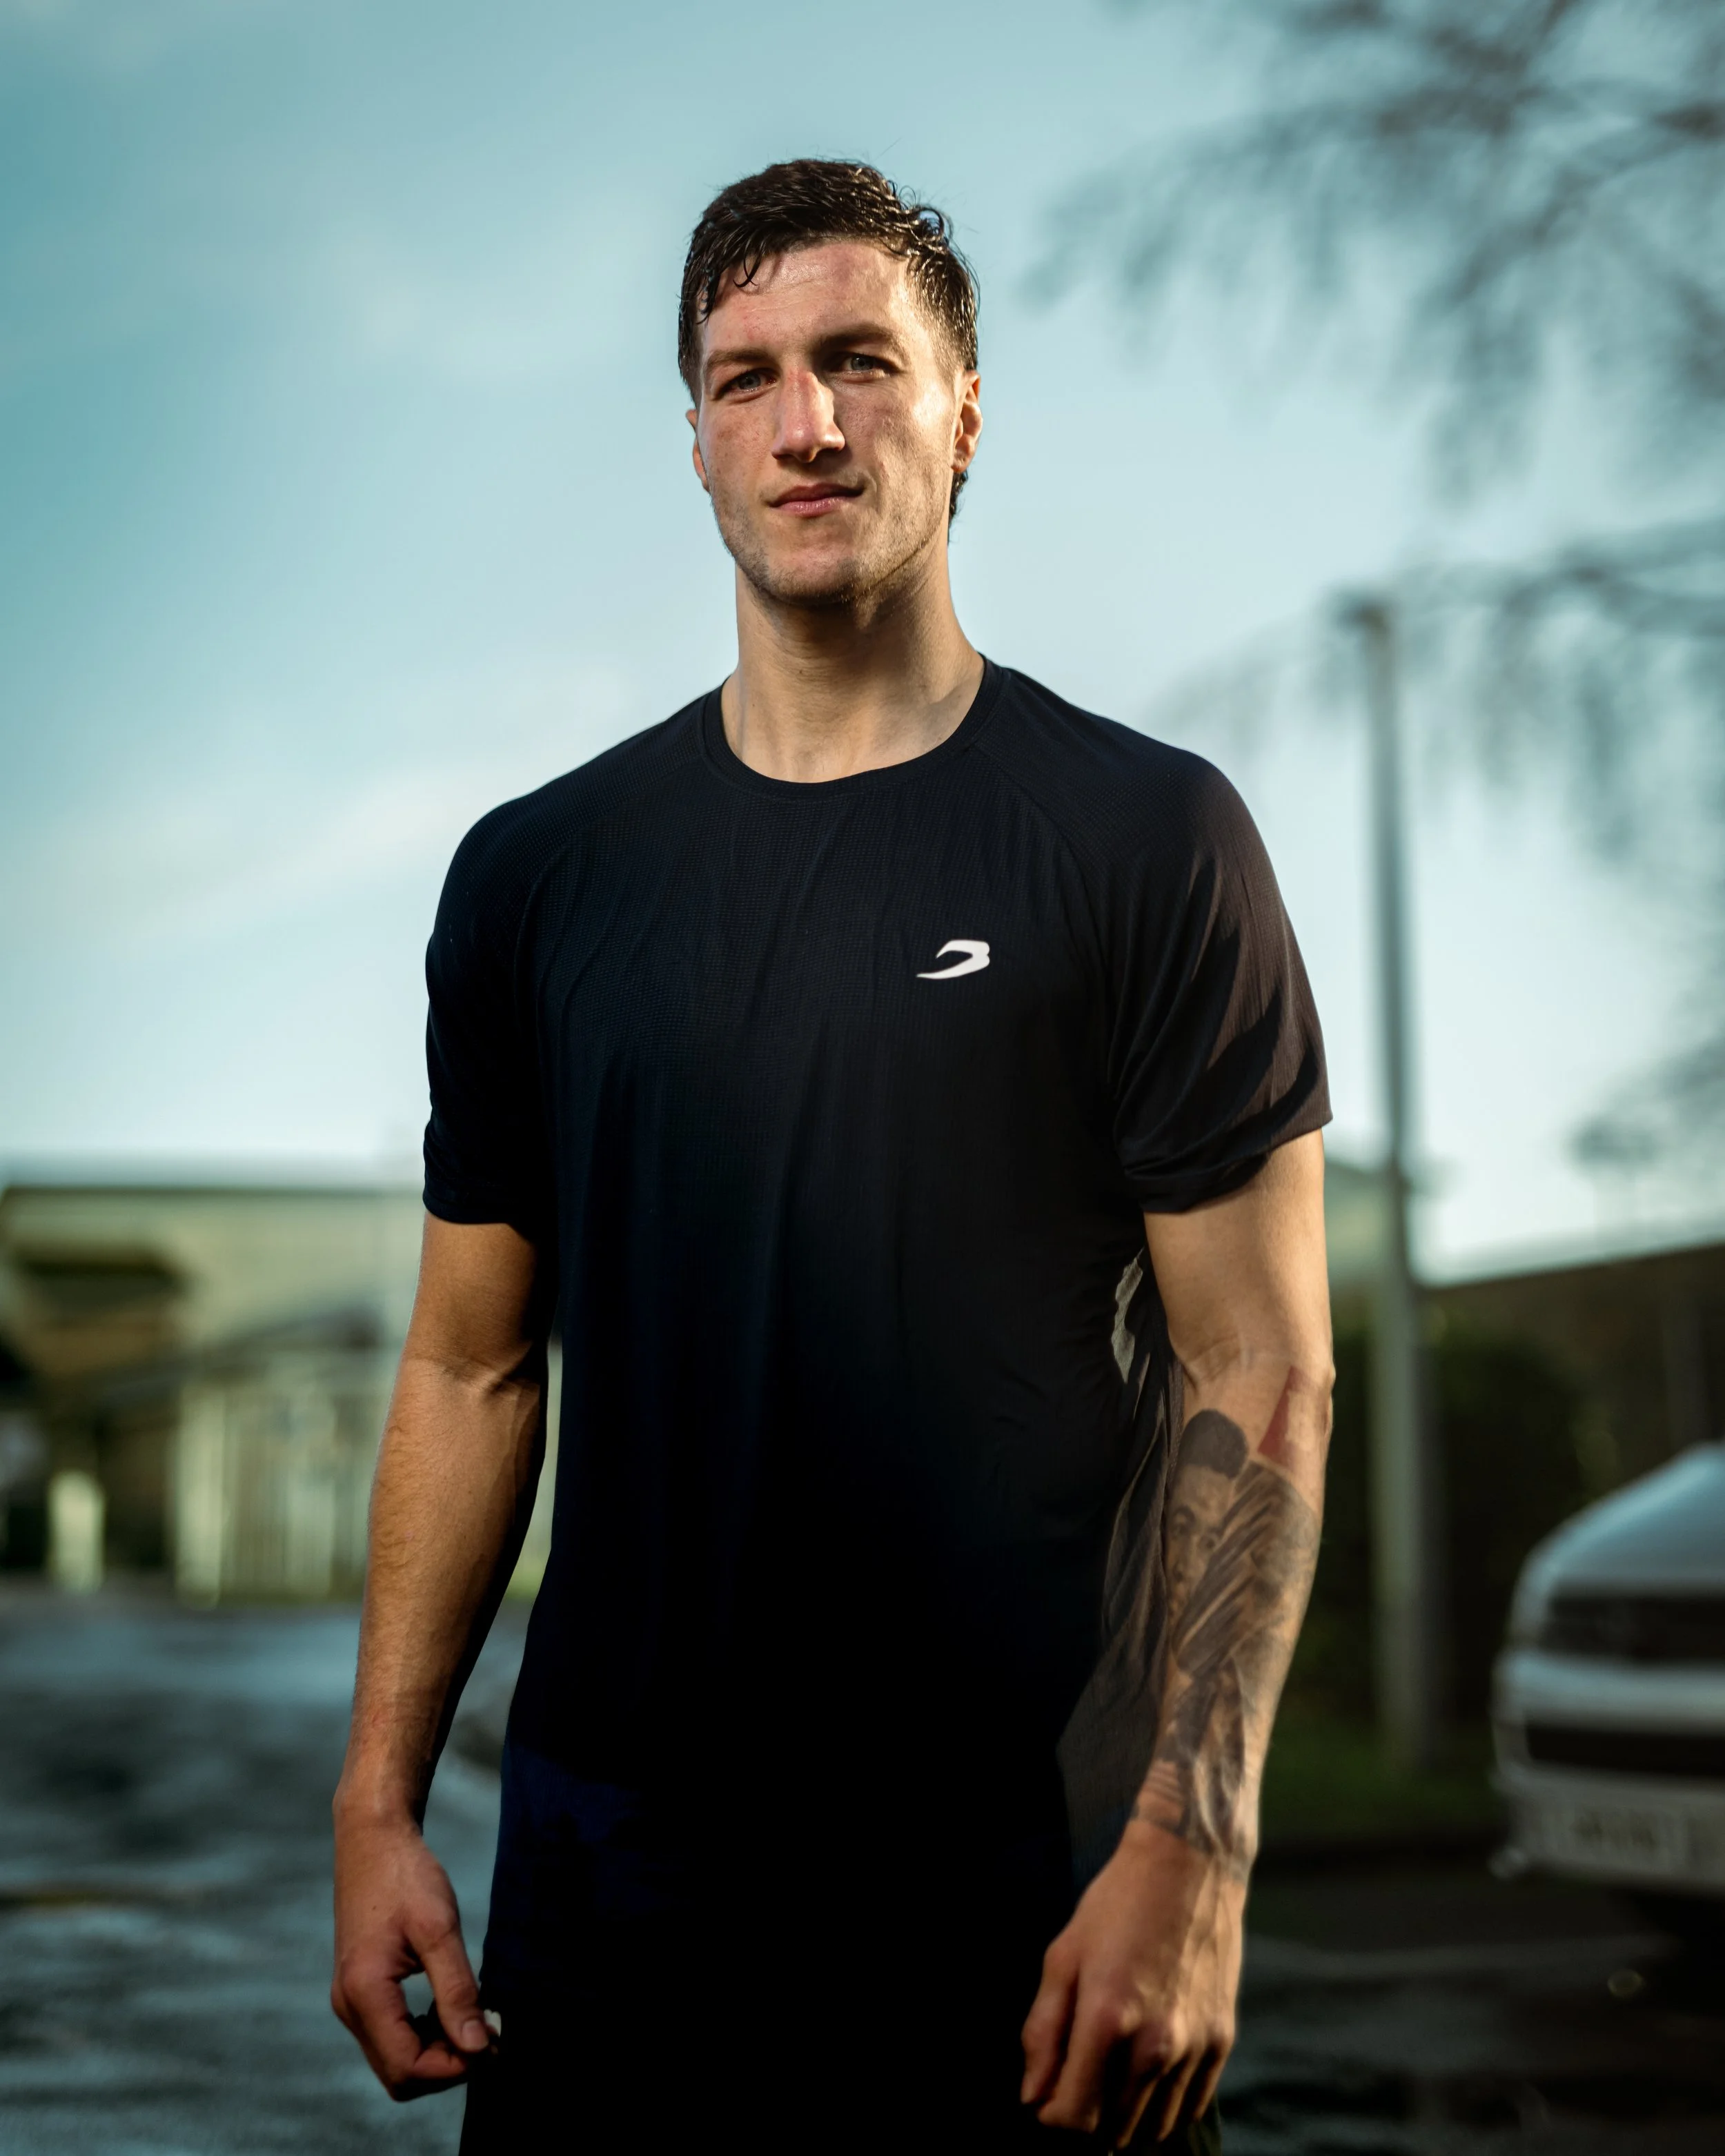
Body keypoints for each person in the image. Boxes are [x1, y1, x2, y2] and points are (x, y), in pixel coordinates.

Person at [331, 157, 1334, 2154]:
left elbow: (1262, 1361)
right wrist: (374, 1807)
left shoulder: (1143, 841)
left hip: (1021, 1875)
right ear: (692, 436)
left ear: (966, 409)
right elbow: (468, 1363)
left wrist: (1193, 1845)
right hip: (618, 1882)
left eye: (862, 363)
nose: (805, 423)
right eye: (745, 376)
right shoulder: (542, 879)